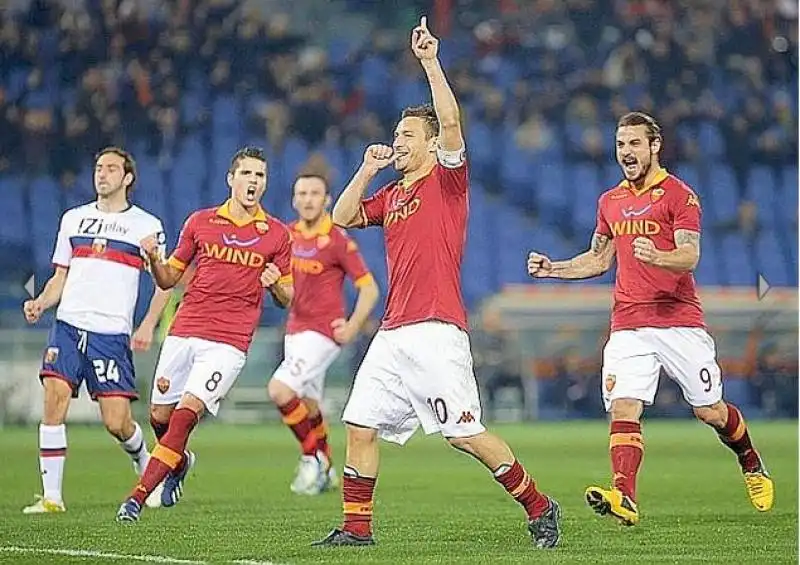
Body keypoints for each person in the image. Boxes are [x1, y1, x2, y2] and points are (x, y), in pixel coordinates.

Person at [312, 18, 561, 549]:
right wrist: (366, 169)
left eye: (406, 136)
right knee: (359, 424)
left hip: (436, 328)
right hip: (394, 331)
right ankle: (358, 531)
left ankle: (540, 507)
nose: (398, 143)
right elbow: (341, 216)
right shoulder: (394, 192)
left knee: (463, 435)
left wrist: (429, 61)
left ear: (429, 144)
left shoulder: (447, 180)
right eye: (397, 135)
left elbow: (450, 120)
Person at [527, 111, 774, 526]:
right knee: (624, 405)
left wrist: (657, 256)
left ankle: (750, 459)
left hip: (678, 320)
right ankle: (625, 495)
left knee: (710, 411)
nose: (626, 152)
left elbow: (690, 253)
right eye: (621, 144)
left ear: (654, 146)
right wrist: (555, 268)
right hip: (628, 321)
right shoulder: (610, 201)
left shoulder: (680, 195)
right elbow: (599, 258)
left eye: (635, 143)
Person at [116, 146, 294, 521]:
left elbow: (288, 298)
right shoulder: (200, 222)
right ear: (231, 179)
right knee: (159, 418)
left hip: (229, 341)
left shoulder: (277, 234)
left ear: (265, 184)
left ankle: (136, 497)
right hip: (186, 330)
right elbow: (169, 278)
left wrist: (276, 285)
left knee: (184, 417)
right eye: (246, 174)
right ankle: (178, 463)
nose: (253, 182)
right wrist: (152, 260)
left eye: (260, 176)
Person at [22, 147, 171, 513]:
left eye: (110, 169)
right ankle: (52, 497)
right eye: (98, 168)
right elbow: (61, 276)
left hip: (111, 335)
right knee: (54, 400)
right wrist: (42, 301)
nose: (101, 174)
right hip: (69, 326)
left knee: (117, 422)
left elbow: (165, 283)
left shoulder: (146, 226)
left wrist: (148, 324)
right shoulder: (74, 219)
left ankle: (145, 464)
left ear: (128, 178)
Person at [268, 173, 379, 496]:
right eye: (301, 192)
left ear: (327, 199)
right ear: (293, 199)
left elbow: (369, 289)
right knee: (309, 404)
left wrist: (353, 326)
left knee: (280, 390)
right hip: (295, 331)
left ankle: (310, 458)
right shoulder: (287, 235)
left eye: (315, 193)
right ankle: (327, 467)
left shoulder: (337, 239)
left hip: (322, 333)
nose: (307, 199)